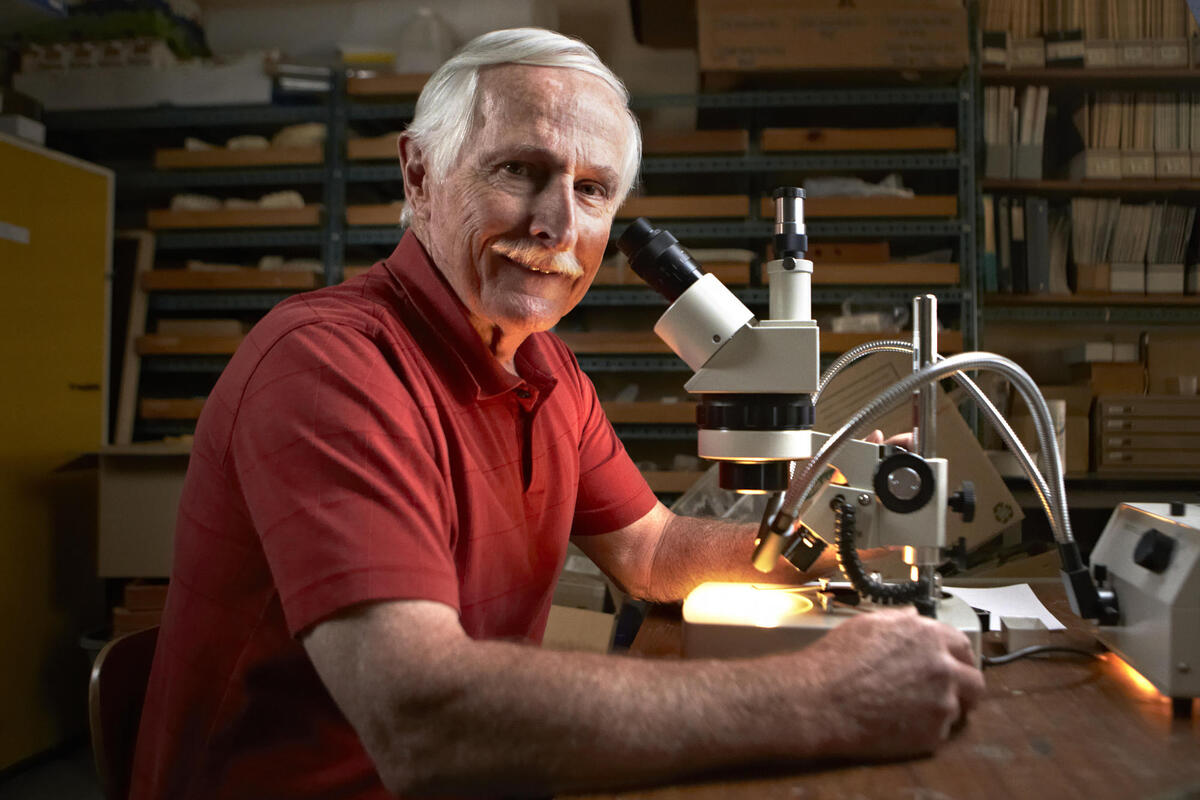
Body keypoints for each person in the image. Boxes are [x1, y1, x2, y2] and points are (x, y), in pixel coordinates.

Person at [129, 27, 984, 800]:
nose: (556, 225)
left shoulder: (546, 368)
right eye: (519, 171)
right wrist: (825, 694)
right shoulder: (332, 366)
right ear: (419, 174)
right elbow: (422, 720)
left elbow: (652, 552)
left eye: (593, 189)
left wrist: (839, 522)